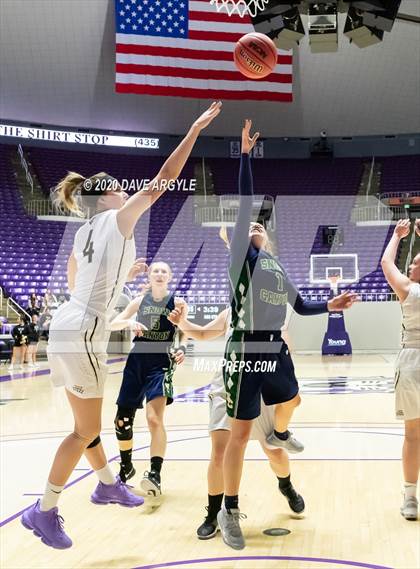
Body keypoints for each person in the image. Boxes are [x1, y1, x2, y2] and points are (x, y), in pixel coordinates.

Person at [20, 101, 222, 550]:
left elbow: (77, 279)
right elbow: (162, 181)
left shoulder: (85, 229)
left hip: (65, 324)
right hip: (86, 330)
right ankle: (45, 509)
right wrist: (192, 130)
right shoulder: (117, 216)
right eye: (118, 189)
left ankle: (108, 484)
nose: (125, 193)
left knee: (84, 421)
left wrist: (118, 280)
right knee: (85, 431)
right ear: (109, 197)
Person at [215, 120, 357, 549]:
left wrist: (330, 306)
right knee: (239, 435)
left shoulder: (276, 267)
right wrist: (243, 155)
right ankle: (229, 509)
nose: (255, 228)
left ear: (270, 241)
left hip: (275, 345)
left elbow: (301, 307)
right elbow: (244, 204)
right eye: (250, 229)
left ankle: (278, 431)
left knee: (293, 399)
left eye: (261, 229)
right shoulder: (243, 256)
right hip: (246, 345)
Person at [168, 304, 305, 540]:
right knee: (219, 454)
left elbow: (285, 349)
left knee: (274, 451)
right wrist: (182, 323)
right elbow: (201, 333)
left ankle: (286, 485)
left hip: (260, 383)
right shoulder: (230, 312)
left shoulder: (272, 313)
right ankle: (213, 514)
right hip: (226, 384)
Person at [110, 262, 186, 495]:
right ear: (150, 276)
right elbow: (111, 323)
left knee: (154, 419)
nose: (160, 274)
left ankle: (155, 473)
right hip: (137, 360)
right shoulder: (139, 302)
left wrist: (182, 348)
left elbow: (184, 333)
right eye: (156, 271)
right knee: (122, 421)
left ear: (170, 277)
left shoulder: (178, 303)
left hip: (161, 361)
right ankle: (126, 467)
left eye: (164, 271)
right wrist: (129, 322)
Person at [381, 218, 420, 521]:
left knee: (412, 435)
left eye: (415, 263)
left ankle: (410, 497)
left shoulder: (408, 290)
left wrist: (397, 236)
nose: (410, 267)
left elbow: (385, 262)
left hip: (412, 362)